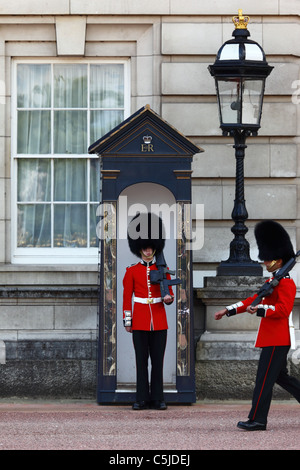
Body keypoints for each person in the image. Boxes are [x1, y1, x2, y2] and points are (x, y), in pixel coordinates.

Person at [214, 220, 300, 431]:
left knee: (263, 381)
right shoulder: (272, 283)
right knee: (281, 378)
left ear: (278, 261)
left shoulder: (286, 283)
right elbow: (253, 299)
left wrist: (260, 310)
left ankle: (258, 419)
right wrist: (229, 310)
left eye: (268, 259)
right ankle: (258, 418)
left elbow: (282, 310)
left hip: (277, 339)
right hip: (273, 338)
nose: (264, 262)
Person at [123, 213, 174, 410]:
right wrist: (128, 321)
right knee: (141, 361)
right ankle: (142, 398)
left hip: (159, 321)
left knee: (158, 363)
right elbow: (127, 298)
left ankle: (158, 398)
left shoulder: (163, 268)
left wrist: (168, 298)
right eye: (144, 247)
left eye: (151, 247)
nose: (147, 250)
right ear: (139, 249)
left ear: (155, 248)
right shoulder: (132, 271)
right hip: (140, 321)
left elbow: (168, 292)